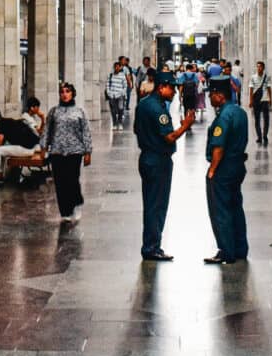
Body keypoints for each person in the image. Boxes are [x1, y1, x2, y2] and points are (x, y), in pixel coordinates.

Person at [134, 77, 195, 262]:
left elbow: (137, 129)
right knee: (157, 205)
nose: (175, 93)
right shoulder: (158, 108)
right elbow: (169, 136)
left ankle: (150, 244)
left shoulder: (143, 104)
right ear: (162, 87)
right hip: (158, 160)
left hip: (146, 157)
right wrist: (185, 125)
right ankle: (152, 247)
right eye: (172, 89)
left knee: (150, 203)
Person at [203, 70, 250, 265]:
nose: (209, 97)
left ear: (220, 96)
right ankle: (240, 249)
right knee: (236, 207)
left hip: (224, 168)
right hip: (238, 166)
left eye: (211, 94)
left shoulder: (223, 117)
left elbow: (219, 147)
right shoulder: (240, 112)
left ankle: (226, 251)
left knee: (221, 210)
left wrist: (212, 170)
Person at [39, 82, 93, 223]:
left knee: (72, 180)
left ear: (72, 93)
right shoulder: (54, 111)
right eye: (62, 92)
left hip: (74, 151)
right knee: (60, 182)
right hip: (57, 151)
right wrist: (43, 148)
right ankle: (65, 211)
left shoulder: (80, 111)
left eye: (67, 91)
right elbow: (47, 130)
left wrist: (88, 152)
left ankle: (76, 202)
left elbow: (86, 132)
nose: (64, 94)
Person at [0, 106, 41, 188]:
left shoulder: (1, 124)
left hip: (25, 149)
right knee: (0, 151)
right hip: (31, 147)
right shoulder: (8, 121)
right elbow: (1, 143)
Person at [247, 61, 272, 146]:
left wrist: (270, 99)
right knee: (257, 119)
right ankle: (259, 136)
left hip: (265, 99)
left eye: (260, 67)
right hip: (256, 100)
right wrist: (250, 100)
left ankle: (265, 135)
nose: (258, 68)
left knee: (266, 119)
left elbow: (269, 88)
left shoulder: (267, 77)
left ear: (263, 68)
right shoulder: (253, 77)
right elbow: (251, 89)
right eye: (257, 67)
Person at [105, 61, 131, 129]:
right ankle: (114, 123)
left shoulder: (122, 76)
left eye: (118, 66)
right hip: (112, 95)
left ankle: (120, 123)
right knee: (113, 110)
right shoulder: (110, 75)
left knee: (120, 109)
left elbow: (125, 86)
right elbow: (107, 84)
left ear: (120, 67)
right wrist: (109, 92)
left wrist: (123, 93)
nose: (116, 68)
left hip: (120, 95)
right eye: (115, 66)